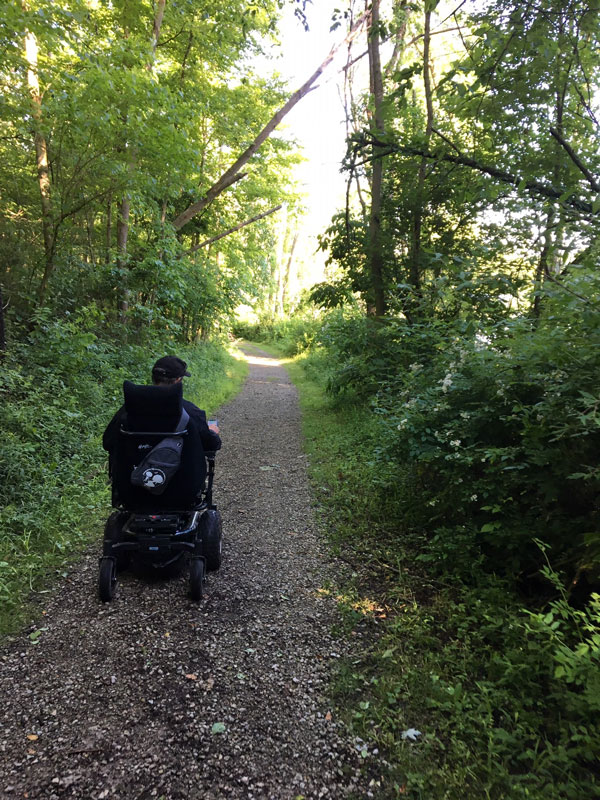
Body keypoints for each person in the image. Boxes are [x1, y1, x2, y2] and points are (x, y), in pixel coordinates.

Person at [102, 355, 221, 465]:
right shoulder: (190, 411)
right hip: (181, 483)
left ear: (153, 378)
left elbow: (108, 442)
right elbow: (211, 445)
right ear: (177, 381)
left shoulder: (130, 409)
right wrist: (212, 432)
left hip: (130, 484)